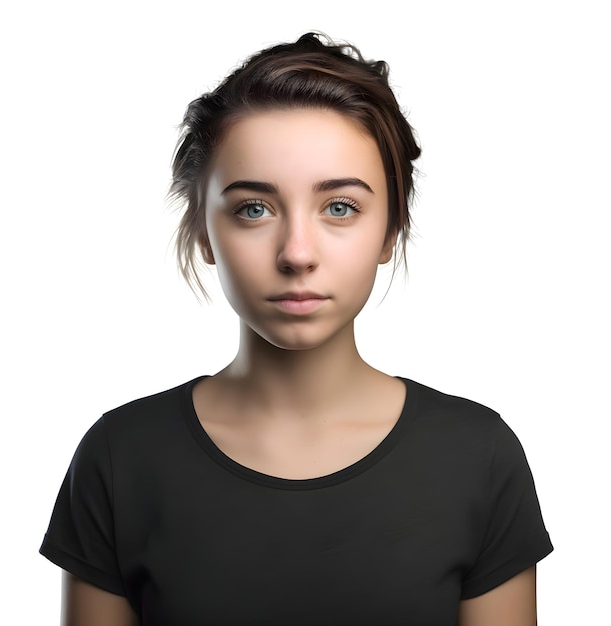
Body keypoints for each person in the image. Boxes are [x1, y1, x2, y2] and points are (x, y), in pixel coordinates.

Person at [40, 32, 553, 625]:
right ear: (203, 232)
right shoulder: (120, 458)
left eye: (340, 207)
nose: (297, 253)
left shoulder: (478, 457)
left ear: (391, 231)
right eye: (253, 208)